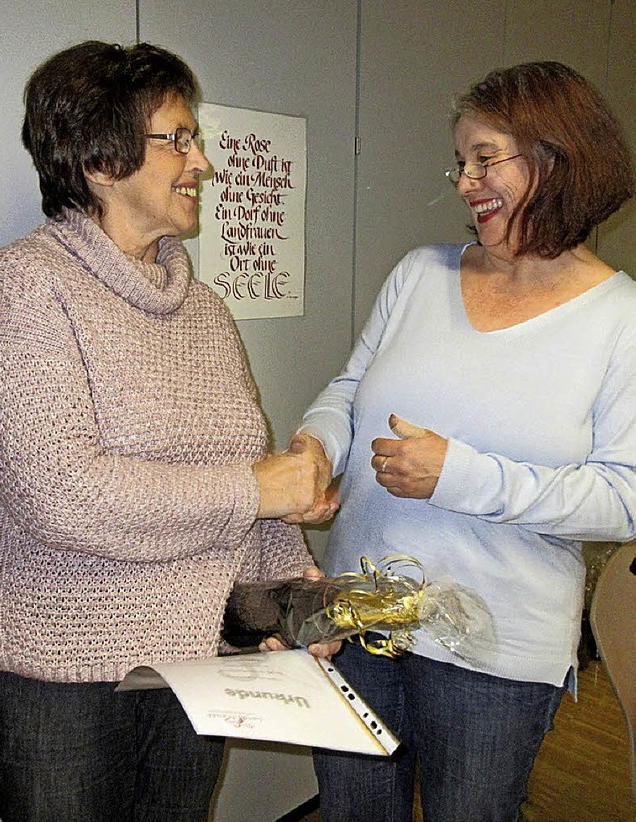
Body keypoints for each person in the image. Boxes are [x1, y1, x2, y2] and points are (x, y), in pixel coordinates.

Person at [290, 61, 636, 821]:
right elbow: (349, 392)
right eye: (461, 161)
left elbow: (623, 499)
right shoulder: (419, 275)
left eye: (487, 159)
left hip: (495, 651)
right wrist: (318, 448)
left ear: (558, 158)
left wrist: (462, 476)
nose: (464, 181)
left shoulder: (619, 319)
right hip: (357, 613)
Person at [0, 41, 324, 822]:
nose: (201, 162)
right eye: (177, 138)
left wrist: (293, 600)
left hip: (193, 658)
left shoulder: (205, 308)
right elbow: (61, 495)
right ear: (102, 161)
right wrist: (253, 487)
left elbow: (255, 482)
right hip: (62, 678)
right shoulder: (27, 286)